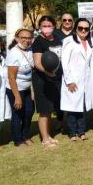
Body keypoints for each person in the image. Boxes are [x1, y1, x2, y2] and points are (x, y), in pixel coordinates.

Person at [61, 18, 93, 141]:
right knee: (72, 108)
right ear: (75, 28)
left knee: (82, 107)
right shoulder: (69, 41)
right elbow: (64, 62)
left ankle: (81, 131)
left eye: (86, 28)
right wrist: (69, 80)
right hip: (73, 80)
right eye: (80, 28)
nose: (83, 30)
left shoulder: (90, 42)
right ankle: (72, 132)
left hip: (86, 80)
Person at [32, 15, 63, 147]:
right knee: (44, 110)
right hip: (42, 79)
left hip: (55, 79)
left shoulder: (57, 38)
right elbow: (37, 62)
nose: (47, 28)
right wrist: (47, 72)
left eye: (49, 26)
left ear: (54, 26)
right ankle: (45, 139)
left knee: (50, 109)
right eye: (44, 26)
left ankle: (49, 135)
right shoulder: (38, 42)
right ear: (39, 27)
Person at [6, 28, 35, 147]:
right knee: (17, 113)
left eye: (29, 38)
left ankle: (25, 135)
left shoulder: (30, 50)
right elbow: (11, 77)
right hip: (15, 89)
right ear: (17, 38)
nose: (26, 40)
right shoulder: (14, 53)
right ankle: (17, 140)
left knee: (29, 111)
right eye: (23, 38)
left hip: (27, 88)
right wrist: (17, 97)